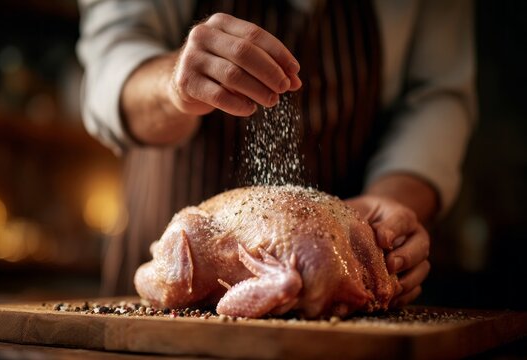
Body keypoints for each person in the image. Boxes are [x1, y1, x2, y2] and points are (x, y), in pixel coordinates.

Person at [76, 0, 476, 308]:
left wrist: (392, 209)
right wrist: (173, 81)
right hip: (173, 201)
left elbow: (436, 96)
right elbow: (110, 63)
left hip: (353, 219)